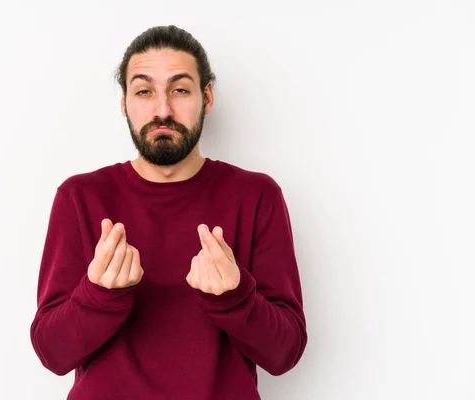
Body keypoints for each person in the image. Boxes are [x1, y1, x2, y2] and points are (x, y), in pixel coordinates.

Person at [30, 25, 308, 400]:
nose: (162, 110)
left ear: (206, 97)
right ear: (125, 102)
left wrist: (235, 296)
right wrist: (98, 295)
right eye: (144, 91)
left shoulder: (257, 196)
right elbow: (52, 353)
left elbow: (284, 354)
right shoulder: (79, 197)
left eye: (179, 89)